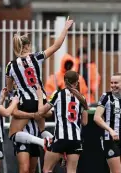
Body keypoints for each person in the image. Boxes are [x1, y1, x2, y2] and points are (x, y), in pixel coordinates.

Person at [6, 18, 74, 146]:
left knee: (13, 134)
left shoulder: (11, 65)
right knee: (42, 129)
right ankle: (56, 143)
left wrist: (13, 90)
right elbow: (56, 46)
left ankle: (42, 143)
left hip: (25, 101)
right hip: (41, 98)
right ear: (27, 46)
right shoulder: (36, 57)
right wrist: (65, 28)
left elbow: (9, 88)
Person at [37, 71, 89, 173]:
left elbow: (42, 112)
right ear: (77, 82)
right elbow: (84, 121)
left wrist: (40, 97)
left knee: (47, 169)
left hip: (60, 137)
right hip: (76, 138)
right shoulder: (82, 98)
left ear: (64, 80)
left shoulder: (57, 94)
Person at [12, 103, 53, 173]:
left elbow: (48, 112)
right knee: (24, 170)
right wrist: (33, 114)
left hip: (35, 137)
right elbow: (14, 112)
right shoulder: (21, 95)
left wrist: (41, 111)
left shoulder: (38, 99)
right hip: (22, 138)